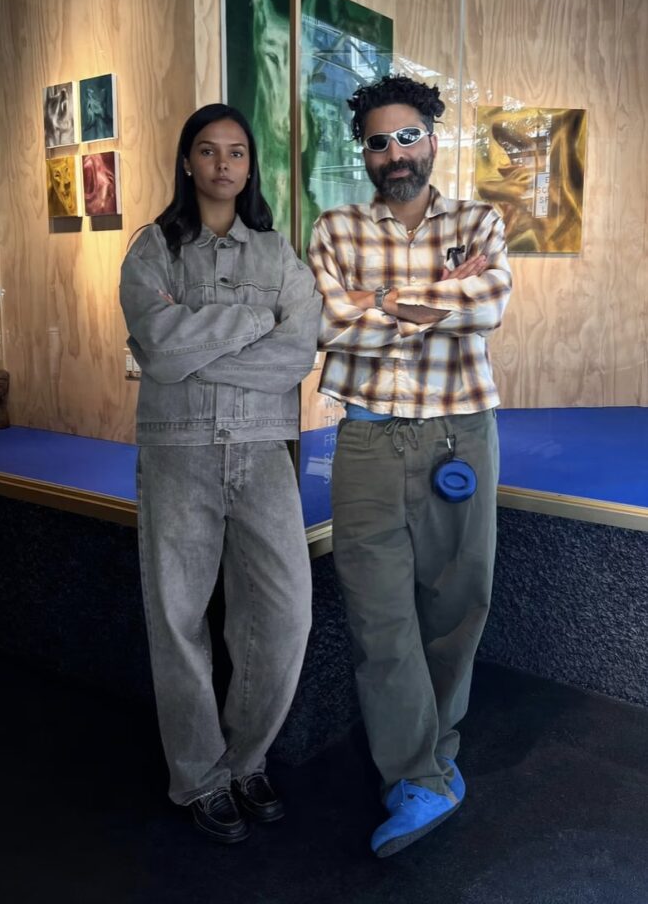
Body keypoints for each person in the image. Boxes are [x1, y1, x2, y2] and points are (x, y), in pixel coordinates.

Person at [307, 74, 512, 858]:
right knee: (378, 617)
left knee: (458, 602)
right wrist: (429, 301)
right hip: (365, 440)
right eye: (377, 142)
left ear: (432, 136)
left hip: (461, 434)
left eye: (407, 136)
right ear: (363, 153)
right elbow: (326, 323)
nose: (394, 153)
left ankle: (436, 749)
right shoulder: (335, 228)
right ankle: (418, 776)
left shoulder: (479, 220)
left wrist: (379, 302)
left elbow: (488, 304)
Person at [120, 103, 321, 845]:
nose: (223, 164)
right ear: (187, 161)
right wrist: (252, 322)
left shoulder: (277, 253)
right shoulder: (153, 250)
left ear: (250, 165)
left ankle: (246, 758)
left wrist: (195, 345)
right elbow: (156, 345)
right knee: (177, 620)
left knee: (285, 614)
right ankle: (200, 776)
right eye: (208, 151)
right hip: (178, 451)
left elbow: (298, 352)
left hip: (264, 450)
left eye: (236, 152)